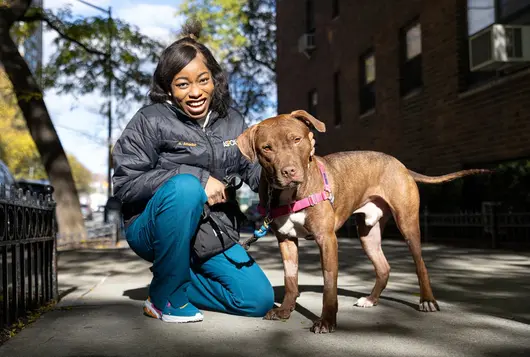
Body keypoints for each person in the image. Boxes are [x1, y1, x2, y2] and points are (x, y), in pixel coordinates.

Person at [112, 19, 315, 324]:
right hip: (151, 229)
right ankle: (167, 299)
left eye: (203, 80)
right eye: (183, 84)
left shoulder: (233, 121)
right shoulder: (149, 120)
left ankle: (169, 278)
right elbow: (126, 184)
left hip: (212, 233)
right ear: (169, 87)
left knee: (256, 300)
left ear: (214, 80)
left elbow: (254, 173)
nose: (195, 92)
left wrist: (290, 164)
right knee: (186, 188)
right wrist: (199, 179)